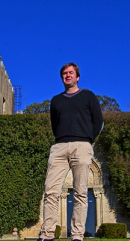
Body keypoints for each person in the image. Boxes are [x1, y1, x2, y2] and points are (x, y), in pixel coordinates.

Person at [38, 62, 103, 241]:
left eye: (71, 72)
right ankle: (47, 234)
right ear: (62, 78)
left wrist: (88, 140)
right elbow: (54, 125)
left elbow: (99, 122)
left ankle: (77, 235)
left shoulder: (88, 96)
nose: (68, 75)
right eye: (65, 73)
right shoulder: (56, 100)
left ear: (77, 76)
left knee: (80, 192)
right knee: (51, 191)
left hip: (82, 146)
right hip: (59, 147)